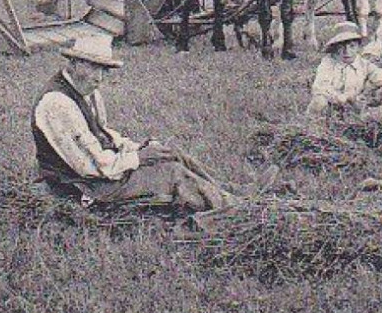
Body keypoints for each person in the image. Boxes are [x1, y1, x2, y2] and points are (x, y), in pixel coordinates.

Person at [31, 32, 235, 215]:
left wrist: (138, 147)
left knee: (175, 155)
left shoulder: (87, 91)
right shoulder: (57, 103)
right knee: (171, 173)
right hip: (81, 186)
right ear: (73, 64)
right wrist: (138, 157)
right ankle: (230, 210)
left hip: (102, 172)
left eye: (104, 70)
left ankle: (225, 196)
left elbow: (102, 133)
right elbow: (93, 167)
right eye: (93, 67)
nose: (99, 78)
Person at [306, 20, 382, 120]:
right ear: (334, 48)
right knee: (319, 101)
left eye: (352, 46)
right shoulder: (328, 63)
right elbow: (320, 87)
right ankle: (316, 123)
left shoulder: (363, 64)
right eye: (341, 47)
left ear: (358, 47)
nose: (347, 52)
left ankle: (369, 117)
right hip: (332, 106)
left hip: (356, 109)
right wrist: (346, 98)